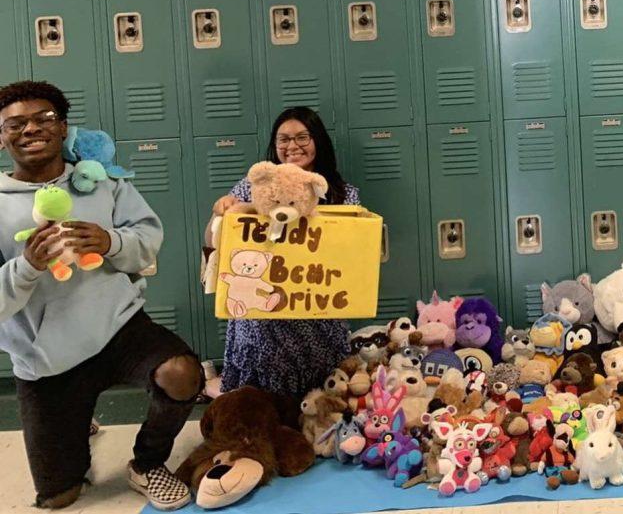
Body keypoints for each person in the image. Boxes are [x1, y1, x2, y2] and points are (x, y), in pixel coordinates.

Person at [0, 81, 200, 511]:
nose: (31, 129)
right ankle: (73, 423)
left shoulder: (102, 183)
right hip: (46, 359)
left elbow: (147, 239)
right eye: (16, 123)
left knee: (182, 373)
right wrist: (27, 267)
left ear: (63, 127)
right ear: (2, 137)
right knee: (58, 498)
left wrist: (110, 242)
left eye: (44, 118)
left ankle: (147, 463)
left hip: (119, 330)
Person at [205, 107, 359, 401]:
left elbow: (351, 254)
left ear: (319, 141)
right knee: (260, 406)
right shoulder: (253, 188)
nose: (292, 146)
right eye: (283, 139)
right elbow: (215, 241)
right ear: (274, 146)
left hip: (317, 309)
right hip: (262, 314)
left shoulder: (342, 194)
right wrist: (220, 213)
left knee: (317, 402)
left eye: (303, 137)